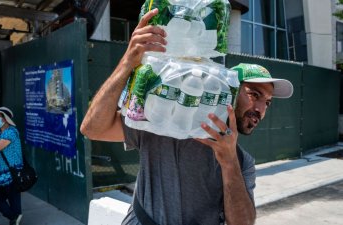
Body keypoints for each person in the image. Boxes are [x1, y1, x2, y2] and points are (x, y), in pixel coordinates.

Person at [80, 9, 293, 225]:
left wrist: (229, 164)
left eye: (267, 102)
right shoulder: (163, 123)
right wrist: (127, 62)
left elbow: (242, 223)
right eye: (254, 95)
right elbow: (92, 128)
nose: (261, 109)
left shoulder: (241, 162)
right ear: (229, 90)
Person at [0, 107, 23, 225]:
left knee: (12, 200)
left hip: (13, 173)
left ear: (5, 119)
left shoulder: (11, 132)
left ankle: (15, 218)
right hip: (2, 174)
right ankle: (14, 217)